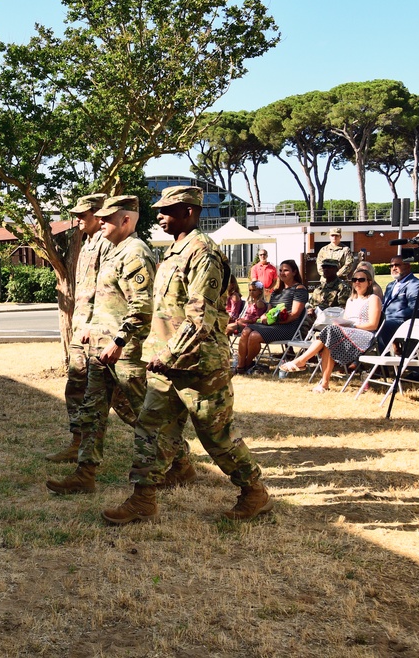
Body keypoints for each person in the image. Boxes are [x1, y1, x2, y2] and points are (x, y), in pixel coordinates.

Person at [101, 186, 273, 525]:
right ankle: (142, 500)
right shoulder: (173, 251)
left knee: (217, 436)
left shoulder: (203, 253)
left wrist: (168, 353)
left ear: (190, 212)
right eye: (161, 210)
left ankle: (254, 491)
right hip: (167, 366)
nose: (161, 215)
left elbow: (200, 318)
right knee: (150, 429)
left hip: (200, 366)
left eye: (169, 210)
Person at [46, 195, 157, 494]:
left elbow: (142, 305)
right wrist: (91, 330)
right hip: (100, 346)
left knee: (141, 413)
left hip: (123, 349)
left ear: (126, 220)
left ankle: (180, 460)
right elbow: (98, 298)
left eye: (108, 218)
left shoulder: (135, 252)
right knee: (94, 409)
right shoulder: (114, 250)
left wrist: (119, 341)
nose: (102, 222)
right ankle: (85, 473)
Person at [45, 193, 109, 463]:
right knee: (76, 387)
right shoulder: (88, 243)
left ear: (99, 213)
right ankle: (78, 442)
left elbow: (107, 294)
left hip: (99, 333)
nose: (79, 219)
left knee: (129, 402)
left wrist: (93, 326)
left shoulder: (109, 245)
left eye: (84, 214)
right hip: (82, 330)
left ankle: (176, 456)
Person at [280, 268, 382, 392]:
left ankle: (301, 360)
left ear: (369, 282)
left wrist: (352, 326)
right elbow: (345, 320)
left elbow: (373, 325)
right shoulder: (351, 300)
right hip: (348, 333)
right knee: (329, 339)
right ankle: (324, 384)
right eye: (354, 280)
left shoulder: (373, 299)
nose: (357, 283)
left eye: (361, 280)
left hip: (365, 336)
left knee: (331, 332)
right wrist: (342, 324)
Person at [234, 260, 308, 373]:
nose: (282, 273)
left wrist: (272, 321)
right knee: (246, 331)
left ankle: (247, 364)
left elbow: (294, 315)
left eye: (286, 270)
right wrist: (264, 317)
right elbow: (268, 311)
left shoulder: (299, 289)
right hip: (271, 324)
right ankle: (240, 366)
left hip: (288, 327)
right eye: (281, 270)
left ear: (294, 272)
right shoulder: (276, 291)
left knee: (254, 336)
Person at [380, 256, 419, 350]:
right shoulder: (391, 285)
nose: (393, 268)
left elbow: (413, 309)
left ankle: (383, 362)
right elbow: (384, 305)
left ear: (408, 266)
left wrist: (387, 317)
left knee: (383, 326)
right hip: (387, 320)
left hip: (404, 322)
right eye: (391, 266)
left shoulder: (415, 284)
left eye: (397, 265)